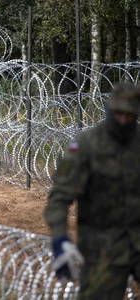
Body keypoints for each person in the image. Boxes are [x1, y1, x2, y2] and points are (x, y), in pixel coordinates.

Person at [44, 82, 140, 299]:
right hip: (103, 248)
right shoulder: (87, 145)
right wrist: (59, 238)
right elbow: (59, 197)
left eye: (130, 114)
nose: (124, 120)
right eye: (119, 113)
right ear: (109, 109)